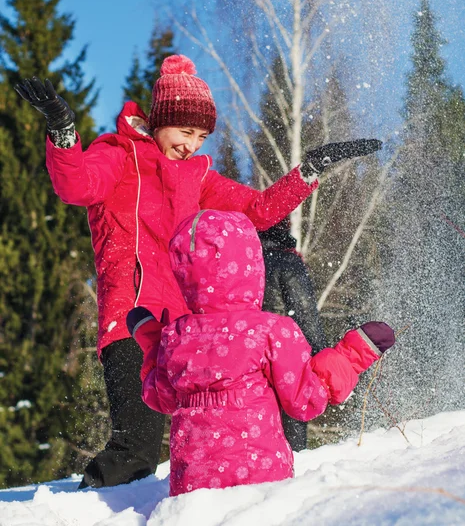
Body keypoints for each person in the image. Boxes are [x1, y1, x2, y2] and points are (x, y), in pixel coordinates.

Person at [15, 55, 382, 489]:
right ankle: (79, 514)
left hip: (186, 333)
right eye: (186, 132)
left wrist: (309, 170)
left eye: (202, 136)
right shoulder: (119, 156)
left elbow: (258, 210)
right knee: (136, 446)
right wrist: (62, 131)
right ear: (160, 120)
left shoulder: (198, 175)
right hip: (132, 320)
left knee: (211, 442)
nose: (193, 144)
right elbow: (74, 185)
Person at [126, 209, 395, 496]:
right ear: (251, 265)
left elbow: (160, 396)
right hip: (261, 482)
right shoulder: (270, 330)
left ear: (185, 271)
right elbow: (305, 399)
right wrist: (350, 357)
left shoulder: (176, 336)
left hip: (192, 490)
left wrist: (153, 344)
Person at [258, 218, 327, 451]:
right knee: (292, 424)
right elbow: (305, 313)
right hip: (287, 357)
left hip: (250, 356)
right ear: (284, 229)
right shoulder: (287, 262)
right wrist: (321, 355)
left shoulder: (247, 261)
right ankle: (292, 477)